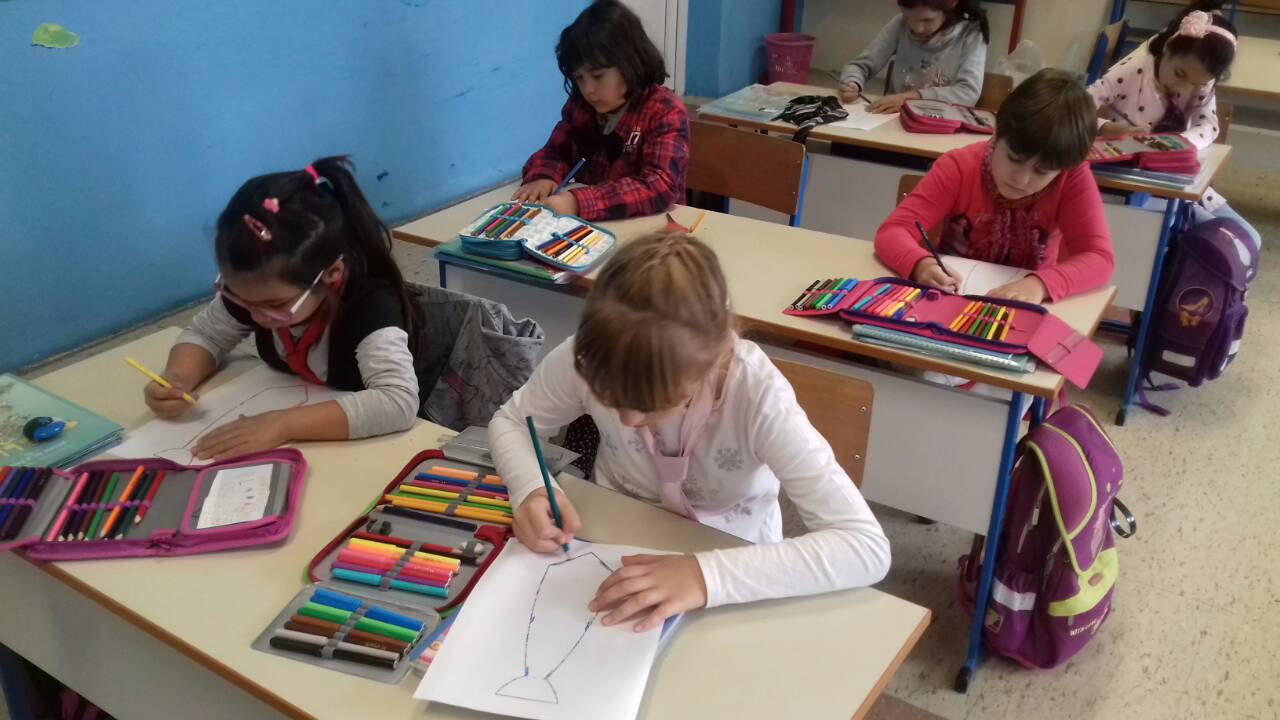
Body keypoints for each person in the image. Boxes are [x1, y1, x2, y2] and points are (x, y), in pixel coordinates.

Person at [489, 233, 891, 632]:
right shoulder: (588, 356)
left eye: (651, 404)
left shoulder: (758, 396)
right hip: (610, 541)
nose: (628, 420)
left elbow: (864, 546)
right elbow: (512, 422)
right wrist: (530, 488)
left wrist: (704, 576)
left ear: (711, 363)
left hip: (737, 567)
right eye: (609, 397)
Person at [144, 157, 429, 459]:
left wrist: (281, 424)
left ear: (331, 273)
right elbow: (207, 334)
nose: (254, 315)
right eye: (240, 298)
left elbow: (397, 401)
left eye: (274, 305)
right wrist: (178, 377)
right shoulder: (260, 289)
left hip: (401, 436)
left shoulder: (369, 304)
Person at [876, 69, 1115, 303]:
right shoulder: (959, 167)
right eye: (1014, 159)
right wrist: (921, 264)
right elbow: (892, 232)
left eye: (1042, 172)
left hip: (1027, 303)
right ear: (997, 132)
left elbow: (1099, 259)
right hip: (952, 296)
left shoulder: (1072, 177)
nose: (1022, 179)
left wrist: (1039, 285)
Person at [1089, 1, 1261, 248]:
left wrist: (1176, 144)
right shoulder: (1134, 70)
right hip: (1134, 187)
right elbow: (1073, 111)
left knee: (1250, 239)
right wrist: (1107, 128)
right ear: (1168, 48)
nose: (1183, 88)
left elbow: (1209, 126)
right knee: (1223, 246)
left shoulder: (1199, 78)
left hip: (1179, 182)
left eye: (1197, 84)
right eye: (1180, 75)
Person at [513, 0, 689, 221]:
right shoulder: (581, 107)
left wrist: (578, 203)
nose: (588, 90)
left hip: (653, 232)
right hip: (591, 228)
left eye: (598, 76)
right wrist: (544, 176)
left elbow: (659, 186)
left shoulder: (664, 111)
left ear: (630, 63)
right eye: (579, 78)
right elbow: (556, 151)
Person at [839, 0, 990, 113]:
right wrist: (853, 82)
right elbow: (859, 66)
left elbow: (968, 93)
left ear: (950, 4)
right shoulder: (900, 24)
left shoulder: (971, 32)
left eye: (927, 20)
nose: (917, 28)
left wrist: (912, 98)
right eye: (907, 17)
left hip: (940, 125)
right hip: (893, 121)